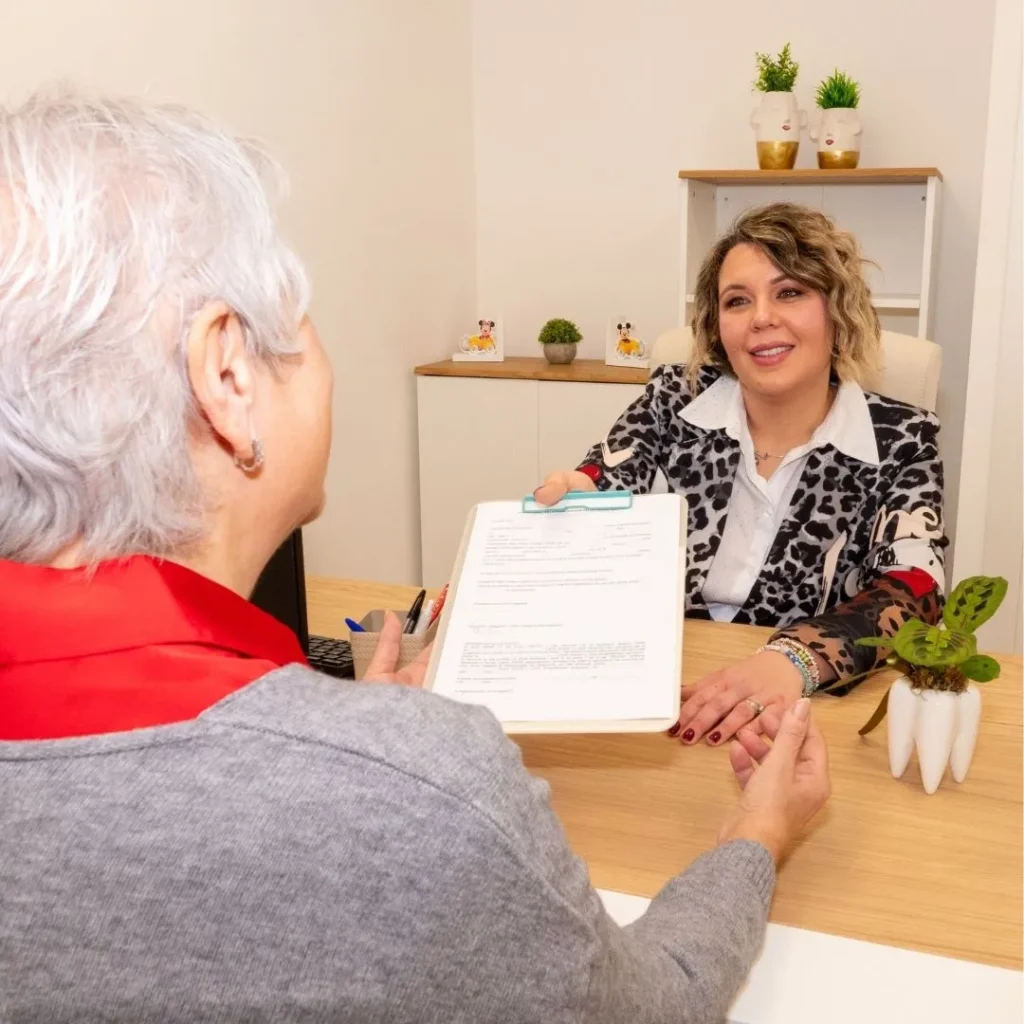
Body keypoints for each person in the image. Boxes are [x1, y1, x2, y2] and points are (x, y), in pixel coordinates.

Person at [0, 91, 830, 1023]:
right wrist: (760, 833)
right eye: (302, 321)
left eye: (791, 293)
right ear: (227, 375)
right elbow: (641, 1008)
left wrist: (360, 736)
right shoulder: (427, 782)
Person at [536, 202, 946, 747]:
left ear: (838, 311)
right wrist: (577, 499)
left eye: (790, 292)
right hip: (661, 699)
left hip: (804, 719)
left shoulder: (903, 439)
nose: (761, 318)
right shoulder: (672, 401)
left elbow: (911, 590)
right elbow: (608, 473)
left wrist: (790, 662)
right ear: (717, 327)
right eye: (737, 301)